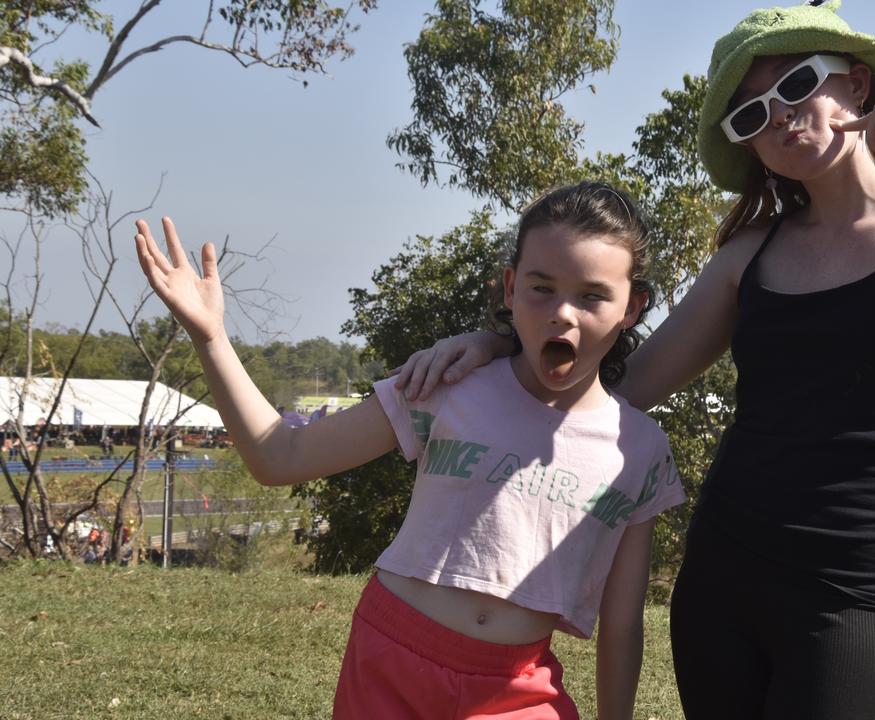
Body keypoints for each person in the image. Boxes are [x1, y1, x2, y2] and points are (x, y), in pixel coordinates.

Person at [388, 3, 875, 717]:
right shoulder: (750, 256)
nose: (778, 116)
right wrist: (501, 346)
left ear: (854, 85)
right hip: (723, 575)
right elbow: (626, 384)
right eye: (750, 115)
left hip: (854, 587)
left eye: (795, 85)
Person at [133, 181, 686, 720]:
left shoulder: (638, 449)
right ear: (511, 288)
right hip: (390, 661)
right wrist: (210, 336)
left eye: (592, 295)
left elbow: (622, 623)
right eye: (542, 287)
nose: (563, 313)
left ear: (632, 307)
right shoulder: (445, 382)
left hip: (520, 688)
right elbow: (281, 458)